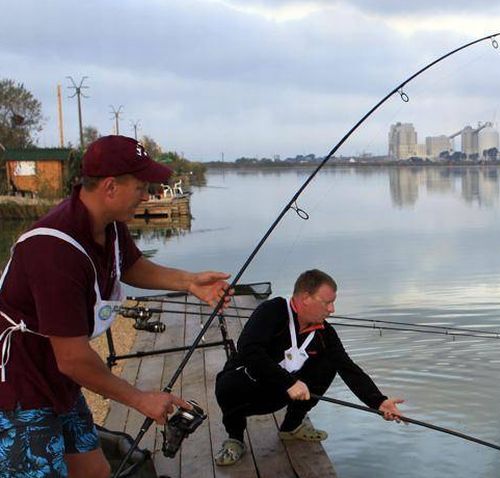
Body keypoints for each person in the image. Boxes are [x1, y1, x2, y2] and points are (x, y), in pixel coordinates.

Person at [0, 135, 232, 477]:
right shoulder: (53, 249)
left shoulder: (108, 226)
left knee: (94, 470)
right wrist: (141, 399)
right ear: (110, 187)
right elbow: (73, 359)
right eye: (141, 186)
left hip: (56, 379)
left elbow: (131, 266)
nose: (147, 195)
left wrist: (188, 281)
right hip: (19, 389)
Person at [213, 269, 404, 466]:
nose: (332, 310)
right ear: (305, 298)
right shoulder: (273, 310)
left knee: (330, 362)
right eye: (327, 302)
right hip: (247, 391)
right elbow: (248, 350)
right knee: (227, 383)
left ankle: (291, 427)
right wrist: (289, 382)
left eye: (333, 303)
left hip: (281, 393)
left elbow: (348, 368)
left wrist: (379, 402)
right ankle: (235, 439)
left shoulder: (324, 332)